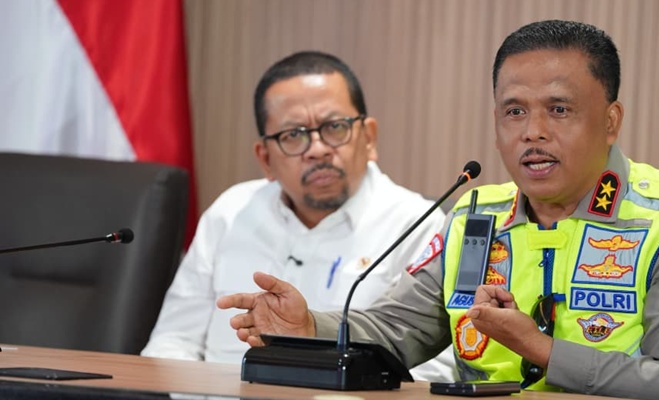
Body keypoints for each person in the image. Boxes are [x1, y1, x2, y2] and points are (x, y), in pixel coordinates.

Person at [217, 21, 659, 399]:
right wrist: (311, 324)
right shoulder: (477, 219)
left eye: (559, 109)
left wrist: (543, 350)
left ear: (610, 121)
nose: (533, 132)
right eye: (514, 111)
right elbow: (397, 328)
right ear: (496, 126)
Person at [141, 51, 456, 382]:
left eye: (335, 127)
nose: (317, 149)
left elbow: (432, 370)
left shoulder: (415, 224)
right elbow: (172, 341)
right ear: (265, 159)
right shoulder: (230, 212)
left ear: (369, 138)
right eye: (293, 135)